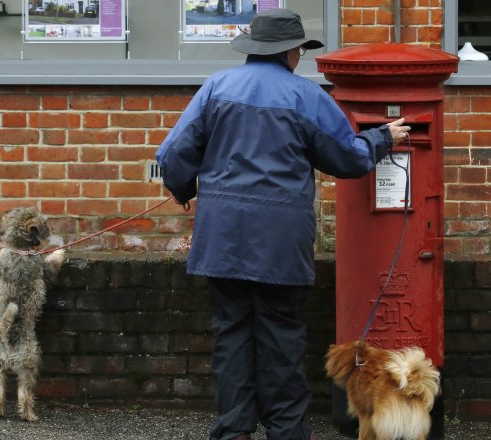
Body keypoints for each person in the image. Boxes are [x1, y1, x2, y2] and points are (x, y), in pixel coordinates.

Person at [155, 8, 410, 440]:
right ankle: (286, 431)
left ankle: (234, 430)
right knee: (280, 338)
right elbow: (345, 157)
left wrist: (185, 191)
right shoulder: (306, 97)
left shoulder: (217, 87)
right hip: (280, 242)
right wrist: (383, 137)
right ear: (292, 51)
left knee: (232, 336)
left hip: (222, 238)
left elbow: (174, 155)